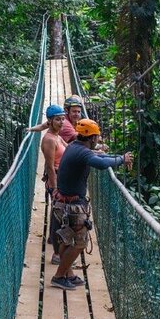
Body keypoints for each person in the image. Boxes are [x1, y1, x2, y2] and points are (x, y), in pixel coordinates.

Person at [50, 119, 133, 290]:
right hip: (71, 206)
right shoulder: (81, 152)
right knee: (79, 243)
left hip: (65, 202)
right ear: (92, 137)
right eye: (97, 136)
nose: (98, 139)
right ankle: (59, 276)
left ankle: (68, 274)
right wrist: (121, 159)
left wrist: (118, 157)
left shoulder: (75, 146)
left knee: (69, 239)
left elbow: (99, 156)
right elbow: (101, 164)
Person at [40, 104, 68, 265]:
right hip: (56, 179)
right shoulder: (49, 139)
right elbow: (50, 166)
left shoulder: (57, 136)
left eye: (63, 118)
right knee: (59, 215)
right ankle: (57, 255)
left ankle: (53, 239)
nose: (62, 122)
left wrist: (93, 151)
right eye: (58, 119)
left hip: (62, 177)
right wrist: (55, 188)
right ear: (50, 121)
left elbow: (70, 148)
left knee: (57, 212)